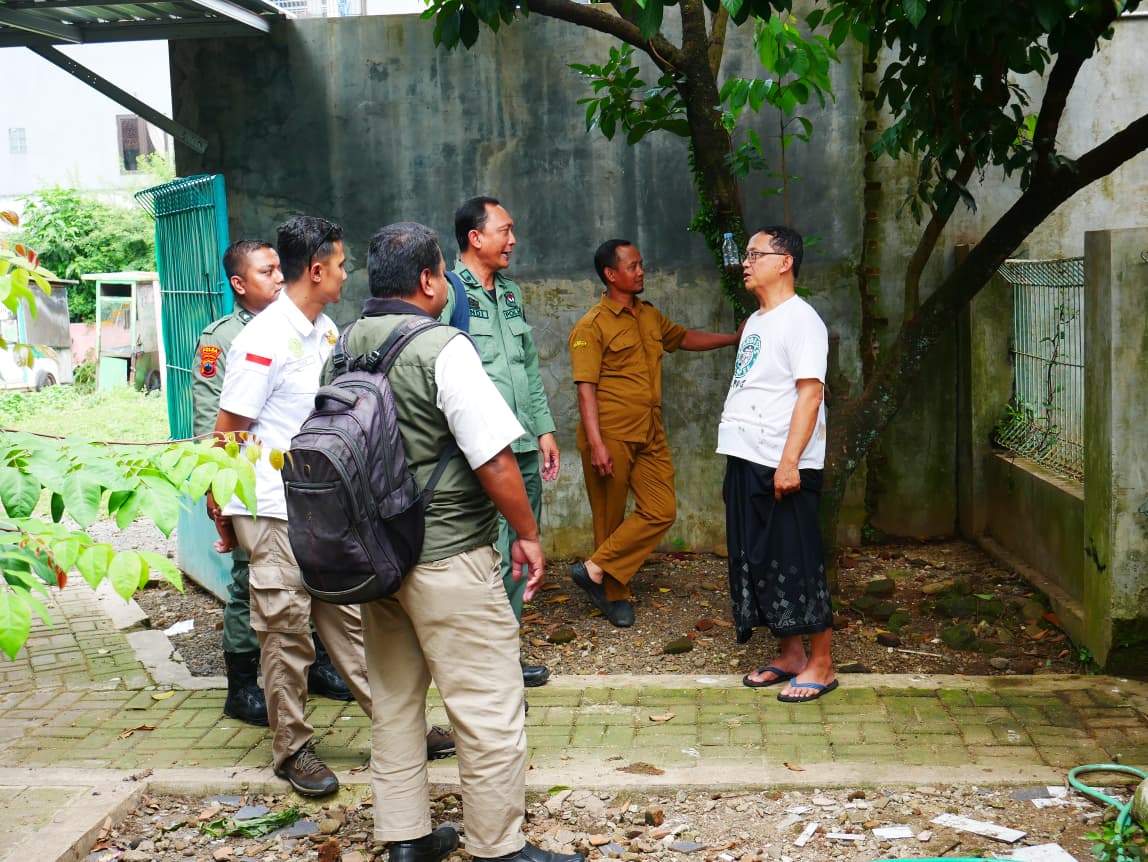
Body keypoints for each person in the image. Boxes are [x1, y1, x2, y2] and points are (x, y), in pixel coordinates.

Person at [335, 222, 582, 862]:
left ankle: (406, 840)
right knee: (490, 708)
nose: (446, 283)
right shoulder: (443, 346)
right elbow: (495, 460)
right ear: (427, 281)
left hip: (377, 562)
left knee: (393, 707)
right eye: (443, 272)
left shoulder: (343, 346)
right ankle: (498, 847)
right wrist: (527, 534)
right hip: (448, 559)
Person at [208, 217, 453, 797]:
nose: (347, 273)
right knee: (285, 630)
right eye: (340, 264)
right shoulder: (260, 342)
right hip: (270, 507)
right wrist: (222, 511)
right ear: (315, 271)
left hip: (322, 506)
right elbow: (226, 433)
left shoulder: (325, 332)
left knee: (346, 619)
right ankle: (292, 749)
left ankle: (400, 728)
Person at [192, 239, 353, 727]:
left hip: (310, 489)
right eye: (266, 272)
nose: (279, 277)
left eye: (281, 269)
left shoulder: (318, 329)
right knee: (253, 587)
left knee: (317, 588)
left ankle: (322, 666)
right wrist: (217, 492)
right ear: (240, 284)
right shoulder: (229, 339)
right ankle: (242, 684)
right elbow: (214, 422)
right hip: (256, 485)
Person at [567, 239, 740, 628]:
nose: (642, 271)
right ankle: (613, 594)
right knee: (608, 520)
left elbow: (683, 339)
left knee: (661, 510)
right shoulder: (591, 326)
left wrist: (732, 339)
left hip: (649, 430)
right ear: (612, 275)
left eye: (641, 264)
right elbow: (585, 388)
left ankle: (594, 569)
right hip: (610, 433)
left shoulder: (648, 315)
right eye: (633, 266)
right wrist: (596, 443)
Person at [440, 196, 557, 690]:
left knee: (519, 546)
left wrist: (545, 429)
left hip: (523, 442)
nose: (512, 240)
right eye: (504, 231)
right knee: (476, 549)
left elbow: (528, 367)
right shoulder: (447, 293)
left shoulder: (511, 294)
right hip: (476, 451)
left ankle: (506, 651)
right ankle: (473, 657)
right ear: (476, 237)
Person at [717, 225, 836, 703]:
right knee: (759, 558)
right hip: (747, 456)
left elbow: (810, 395)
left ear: (784, 261)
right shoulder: (759, 320)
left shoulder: (801, 319)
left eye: (755, 254)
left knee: (799, 560)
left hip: (782, 462)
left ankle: (822, 664)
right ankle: (790, 655)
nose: (746, 262)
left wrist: (790, 464)